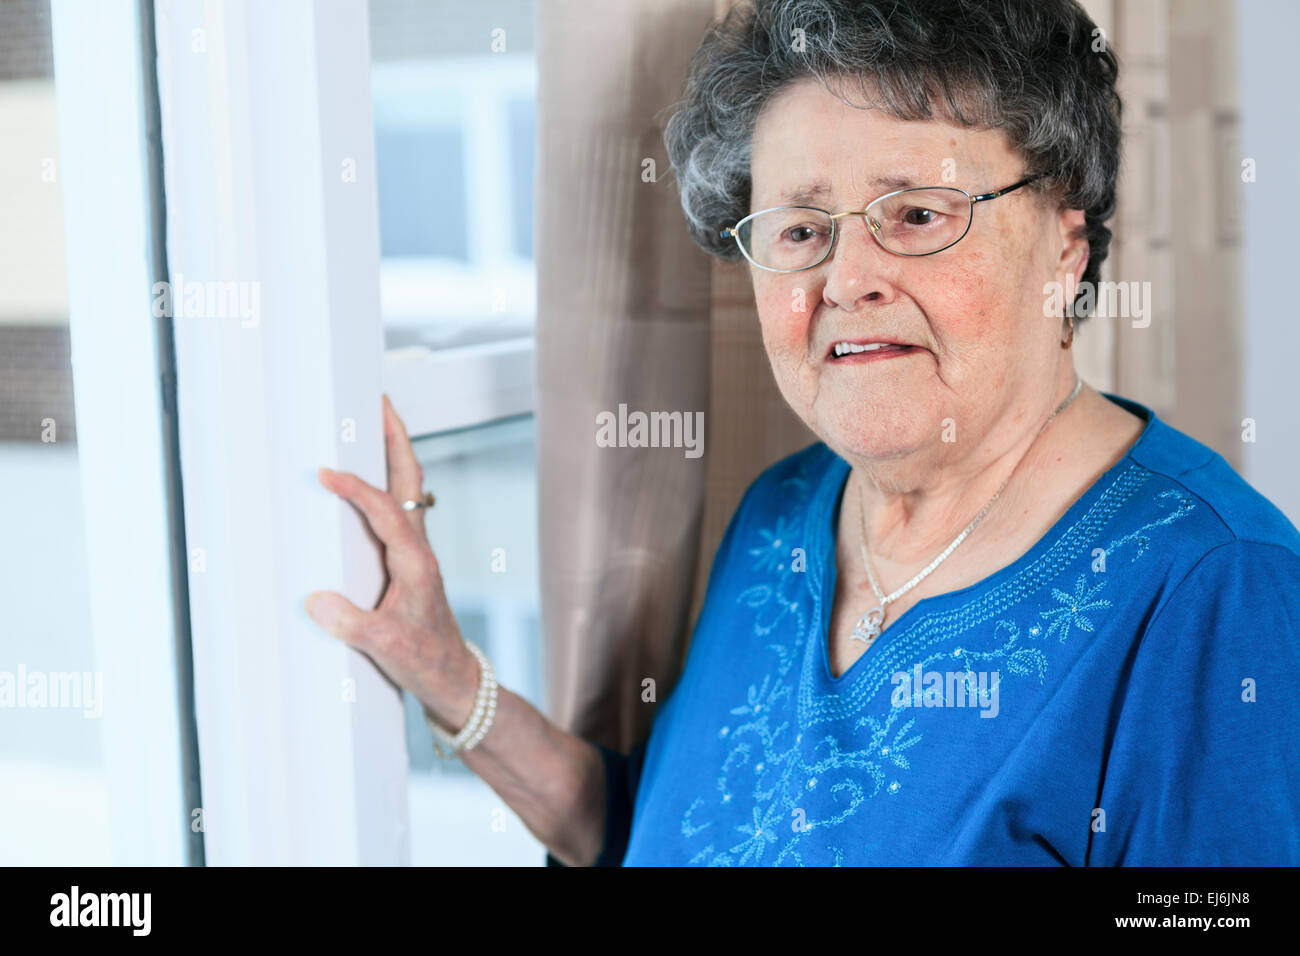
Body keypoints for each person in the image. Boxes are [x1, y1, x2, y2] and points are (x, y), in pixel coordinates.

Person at [306, 0, 1300, 865]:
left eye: (917, 213)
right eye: (798, 229)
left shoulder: (1219, 590)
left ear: (1064, 247)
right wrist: (442, 667)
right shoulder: (780, 512)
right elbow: (648, 831)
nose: (846, 279)